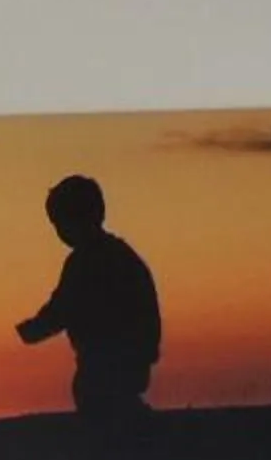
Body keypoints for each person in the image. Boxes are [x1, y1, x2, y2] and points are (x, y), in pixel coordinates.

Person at [15, 175, 162, 422]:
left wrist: (31, 330)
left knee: (101, 410)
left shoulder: (86, 261)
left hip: (103, 367)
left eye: (59, 223)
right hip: (133, 365)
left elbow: (61, 308)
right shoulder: (125, 257)